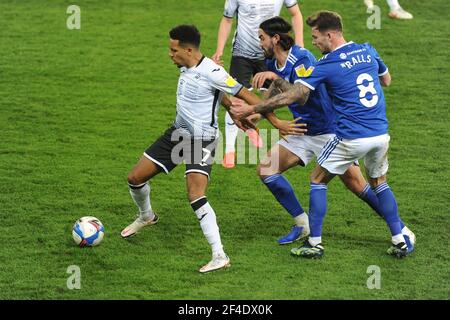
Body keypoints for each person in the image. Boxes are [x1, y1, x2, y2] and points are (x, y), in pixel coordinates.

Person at [231, 11, 414, 258]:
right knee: (267, 169)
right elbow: (275, 92)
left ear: (275, 39)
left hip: (328, 130)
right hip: (302, 130)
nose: (259, 42)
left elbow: (301, 94)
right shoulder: (273, 64)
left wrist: (258, 104)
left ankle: (401, 230)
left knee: (356, 185)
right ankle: (302, 224)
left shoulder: (304, 58)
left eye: (262, 37)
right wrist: (254, 116)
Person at [121, 25, 260, 273]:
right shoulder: (186, 65)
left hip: (202, 140)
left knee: (195, 195)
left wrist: (275, 121)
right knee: (135, 178)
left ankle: (219, 255)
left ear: (188, 49)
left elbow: (250, 98)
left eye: (173, 50)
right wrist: (228, 107)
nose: (170, 54)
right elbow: (221, 95)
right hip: (177, 134)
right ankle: (147, 216)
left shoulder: (214, 72)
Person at [212, 0, 304, 168]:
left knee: (270, 98)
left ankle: (251, 124)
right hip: (242, 53)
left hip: (268, 53)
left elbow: (296, 13)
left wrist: (300, 45)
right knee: (238, 100)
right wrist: (219, 50)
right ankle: (230, 150)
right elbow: (227, 19)